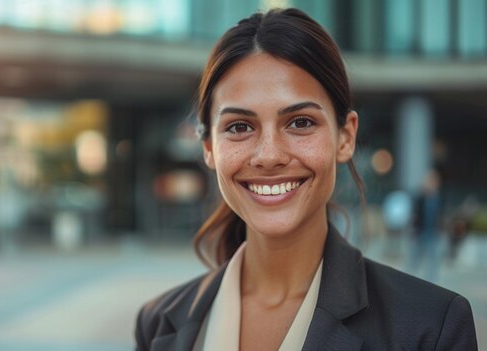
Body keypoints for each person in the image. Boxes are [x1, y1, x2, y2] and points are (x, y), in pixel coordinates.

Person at [135, 8, 477, 351]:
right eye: (239, 127)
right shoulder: (159, 324)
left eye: (300, 122)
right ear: (209, 147)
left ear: (345, 137)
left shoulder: (432, 328)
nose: (269, 155)